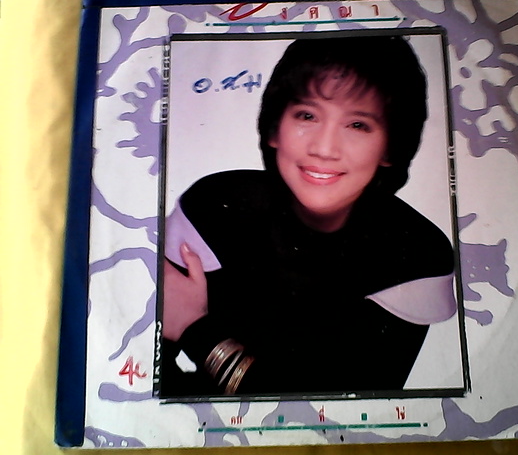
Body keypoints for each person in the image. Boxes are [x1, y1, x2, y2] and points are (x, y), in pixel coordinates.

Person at [160, 34, 456, 397]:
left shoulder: (416, 253)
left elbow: (334, 412)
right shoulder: (215, 207)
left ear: (390, 148)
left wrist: (194, 328)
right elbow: (146, 383)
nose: (324, 149)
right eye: (307, 115)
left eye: (357, 125)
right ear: (275, 128)